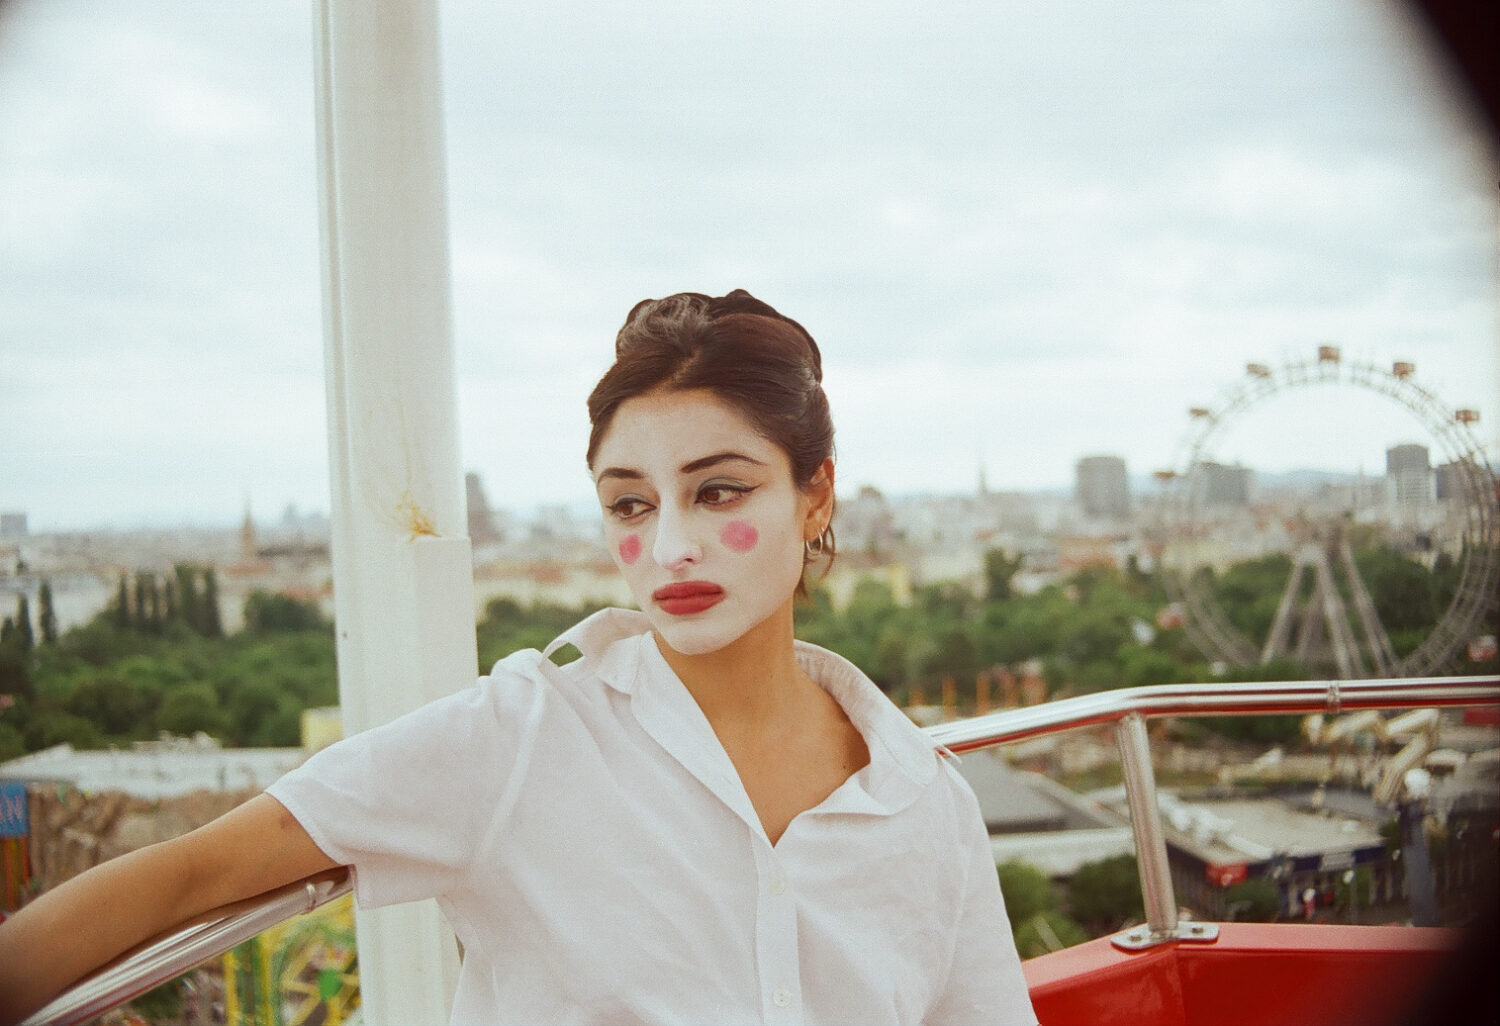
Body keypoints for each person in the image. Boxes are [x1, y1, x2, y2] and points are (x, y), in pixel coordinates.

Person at [0, 290, 1036, 1025]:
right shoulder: (525, 738)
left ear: (815, 495)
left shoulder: (922, 803)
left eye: (719, 490)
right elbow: (197, 873)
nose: (669, 544)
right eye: (631, 502)